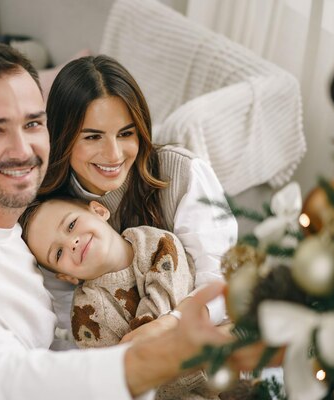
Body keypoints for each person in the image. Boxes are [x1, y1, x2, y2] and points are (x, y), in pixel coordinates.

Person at [0, 43, 235, 400]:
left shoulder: (22, 233)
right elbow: (5, 384)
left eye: (31, 124)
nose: (21, 148)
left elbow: (63, 349)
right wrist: (151, 352)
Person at [39, 55, 238, 341]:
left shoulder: (181, 173)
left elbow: (221, 280)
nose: (114, 155)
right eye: (93, 137)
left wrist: (164, 327)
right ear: (63, 138)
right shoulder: (47, 213)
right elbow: (61, 310)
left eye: (125, 133)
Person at [20, 196, 222, 400]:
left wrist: (147, 345)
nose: (71, 243)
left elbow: (165, 316)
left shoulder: (158, 243)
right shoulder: (86, 316)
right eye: (58, 253)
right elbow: (122, 378)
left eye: (71, 225)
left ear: (99, 211)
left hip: (219, 383)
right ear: (66, 276)